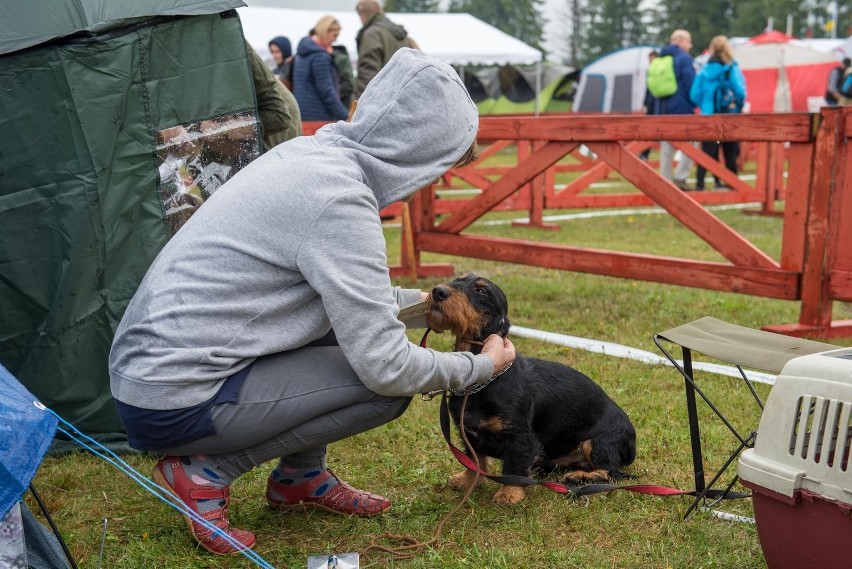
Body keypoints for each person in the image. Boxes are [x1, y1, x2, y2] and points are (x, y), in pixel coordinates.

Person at [108, 48, 515, 555]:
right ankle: (204, 470)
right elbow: (385, 366)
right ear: (416, 150)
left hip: (151, 376)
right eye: (440, 164)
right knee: (384, 390)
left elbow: (356, 298)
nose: (434, 179)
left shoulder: (307, 158)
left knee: (338, 329)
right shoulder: (339, 200)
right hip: (174, 396)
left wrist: (436, 306)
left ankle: (301, 477)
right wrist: (479, 366)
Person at [688, 35, 746, 190]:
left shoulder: (704, 70)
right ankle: (733, 184)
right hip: (728, 116)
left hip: (708, 115)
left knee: (707, 153)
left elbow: (694, 94)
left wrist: (705, 105)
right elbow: (740, 92)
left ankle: (700, 184)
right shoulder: (731, 68)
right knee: (730, 152)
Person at [655, 29, 696, 191]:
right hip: (681, 107)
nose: (690, 45)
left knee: (666, 146)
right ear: (680, 41)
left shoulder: (660, 57)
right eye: (688, 41)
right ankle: (680, 176)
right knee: (693, 140)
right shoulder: (684, 58)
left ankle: (664, 180)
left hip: (662, 108)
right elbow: (690, 83)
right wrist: (694, 103)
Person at [293, 16, 350, 121]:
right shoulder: (320, 57)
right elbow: (326, 91)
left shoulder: (303, 51)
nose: (336, 39)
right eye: (334, 35)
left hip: (304, 113)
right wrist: (345, 116)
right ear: (325, 31)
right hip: (319, 116)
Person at [247, 41, 302, 151]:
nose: (275, 55)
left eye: (278, 51)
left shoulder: (290, 66)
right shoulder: (276, 70)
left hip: (286, 116)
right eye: (273, 52)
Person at [354, 0, 412, 100]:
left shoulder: (372, 34)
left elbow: (368, 73)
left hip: (379, 100)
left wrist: (358, 102)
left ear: (362, 15)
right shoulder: (399, 33)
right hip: (400, 97)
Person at [639, 50, 659, 162]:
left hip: (658, 104)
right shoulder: (650, 71)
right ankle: (644, 153)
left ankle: (644, 153)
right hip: (650, 104)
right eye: (650, 59)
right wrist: (644, 103)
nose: (650, 61)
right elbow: (647, 90)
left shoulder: (660, 70)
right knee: (648, 131)